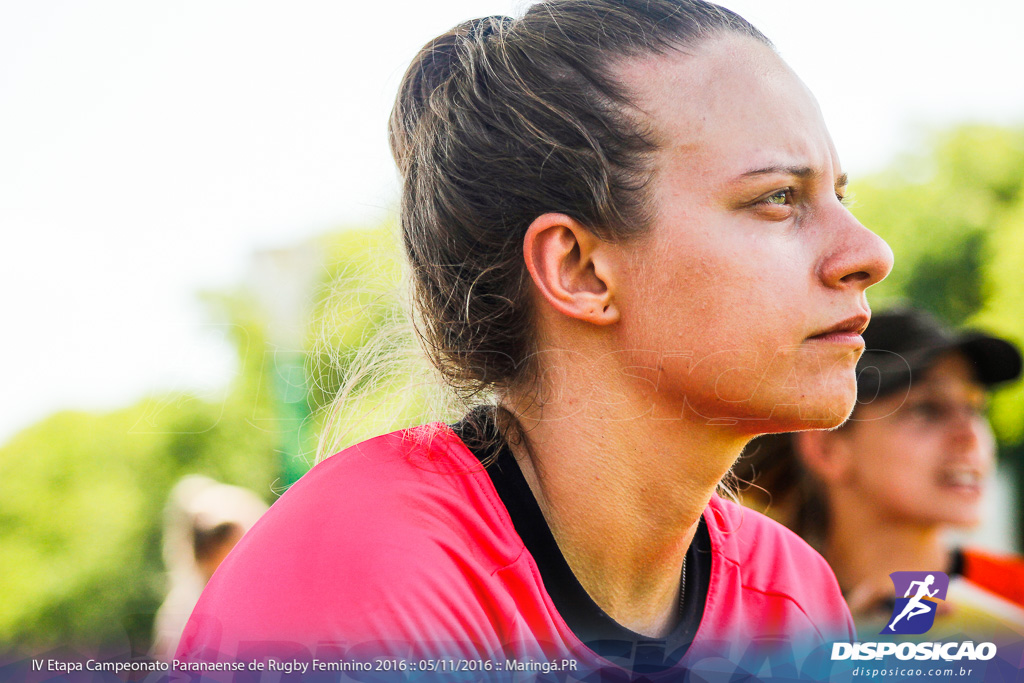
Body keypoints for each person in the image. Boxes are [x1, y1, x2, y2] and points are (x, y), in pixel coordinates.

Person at [177, 0, 894, 676]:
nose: (868, 252)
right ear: (579, 269)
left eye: (841, 195)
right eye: (777, 198)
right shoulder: (358, 579)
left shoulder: (793, 597)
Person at [739, 308, 1024, 638]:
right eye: (927, 409)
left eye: (975, 408)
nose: (971, 435)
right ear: (827, 449)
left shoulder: (1014, 597)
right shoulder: (740, 616)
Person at [151, 475, 268, 660]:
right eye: (208, 540)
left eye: (224, 536)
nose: (219, 549)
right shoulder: (182, 612)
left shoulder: (265, 599)